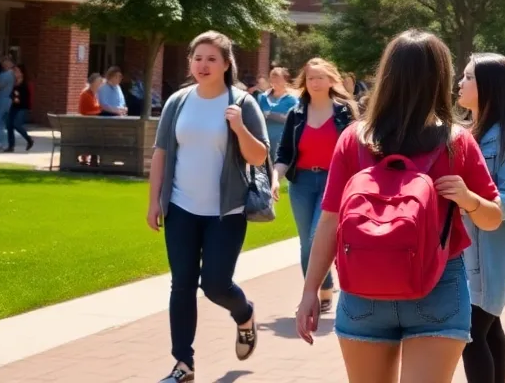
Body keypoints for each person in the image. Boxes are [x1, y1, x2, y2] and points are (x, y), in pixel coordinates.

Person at [295, 30, 502, 383]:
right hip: (437, 286)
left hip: (364, 285)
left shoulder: (355, 140)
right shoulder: (456, 142)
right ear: (440, 77)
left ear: (386, 76)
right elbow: (492, 218)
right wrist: (468, 200)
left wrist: (310, 291)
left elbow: (329, 221)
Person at [147, 31, 271, 383]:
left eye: (211, 59)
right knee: (181, 285)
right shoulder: (178, 101)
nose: (203, 65)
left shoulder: (243, 103)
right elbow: (162, 153)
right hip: (181, 208)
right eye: (197, 58)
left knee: (215, 285)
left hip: (225, 212)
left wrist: (237, 127)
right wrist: (154, 201)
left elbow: (259, 156)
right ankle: (183, 365)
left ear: (226, 64)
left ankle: (244, 314)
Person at [458, 53, 505, 383]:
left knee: (471, 335)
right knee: (489, 330)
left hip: (490, 256)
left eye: (469, 77)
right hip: (468, 252)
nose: (460, 83)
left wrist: (469, 202)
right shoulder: (468, 131)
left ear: (488, 85)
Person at [274, 58, 357, 315]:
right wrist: (276, 178)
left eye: (320, 77)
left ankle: (316, 291)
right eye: (311, 78)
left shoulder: (345, 112)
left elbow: (358, 148)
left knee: (316, 236)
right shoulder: (296, 114)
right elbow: (285, 152)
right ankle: (323, 287)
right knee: (306, 243)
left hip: (336, 182)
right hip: (302, 183)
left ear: (331, 80)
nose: (315, 82)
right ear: (304, 82)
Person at [257, 67, 298, 152]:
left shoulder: (292, 99)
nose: (275, 83)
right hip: (264, 140)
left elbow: (295, 119)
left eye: (278, 80)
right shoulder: (262, 97)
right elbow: (257, 117)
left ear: (285, 81)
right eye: (273, 80)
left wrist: (271, 115)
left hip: (282, 141)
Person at [6, 63, 34, 152]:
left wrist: (18, 99)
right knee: (9, 125)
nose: (15, 73)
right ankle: (11, 146)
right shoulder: (14, 83)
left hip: (22, 107)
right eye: (14, 71)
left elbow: (25, 97)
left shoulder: (24, 84)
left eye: (17, 71)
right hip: (14, 106)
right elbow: (13, 95)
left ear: (22, 73)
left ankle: (29, 139)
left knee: (16, 124)